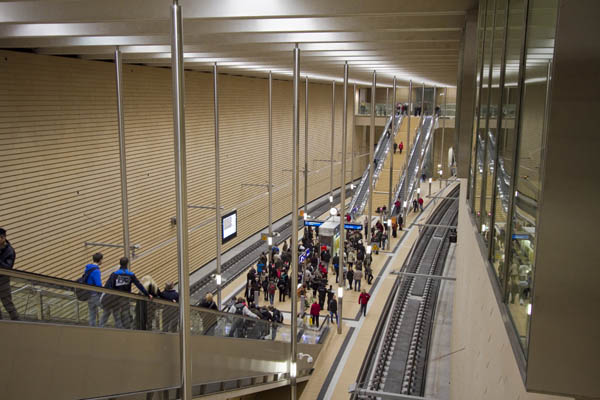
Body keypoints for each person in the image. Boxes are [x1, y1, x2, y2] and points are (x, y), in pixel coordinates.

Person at [100, 257, 151, 329]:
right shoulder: (130, 275)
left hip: (114, 298)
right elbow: (139, 285)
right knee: (125, 313)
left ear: (120, 264)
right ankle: (126, 329)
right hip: (125, 298)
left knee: (113, 314)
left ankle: (100, 327)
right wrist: (147, 294)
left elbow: (108, 286)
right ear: (127, 264)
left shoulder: (114, 274)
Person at [0, 228, 19, 321]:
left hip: (3, 280)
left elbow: (7, 267)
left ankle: (17, 323)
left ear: (3, 238)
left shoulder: (10, 251)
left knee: (8, 303)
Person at [83, 252, 103, 326]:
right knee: (108, 308)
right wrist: (102, 294)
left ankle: (92, 328)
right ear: (100, 260)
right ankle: (102, 326)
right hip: (94, 295)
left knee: (92, 313)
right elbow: (98, 284)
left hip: (88, 294)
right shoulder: (96, 271)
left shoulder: (88, 268)